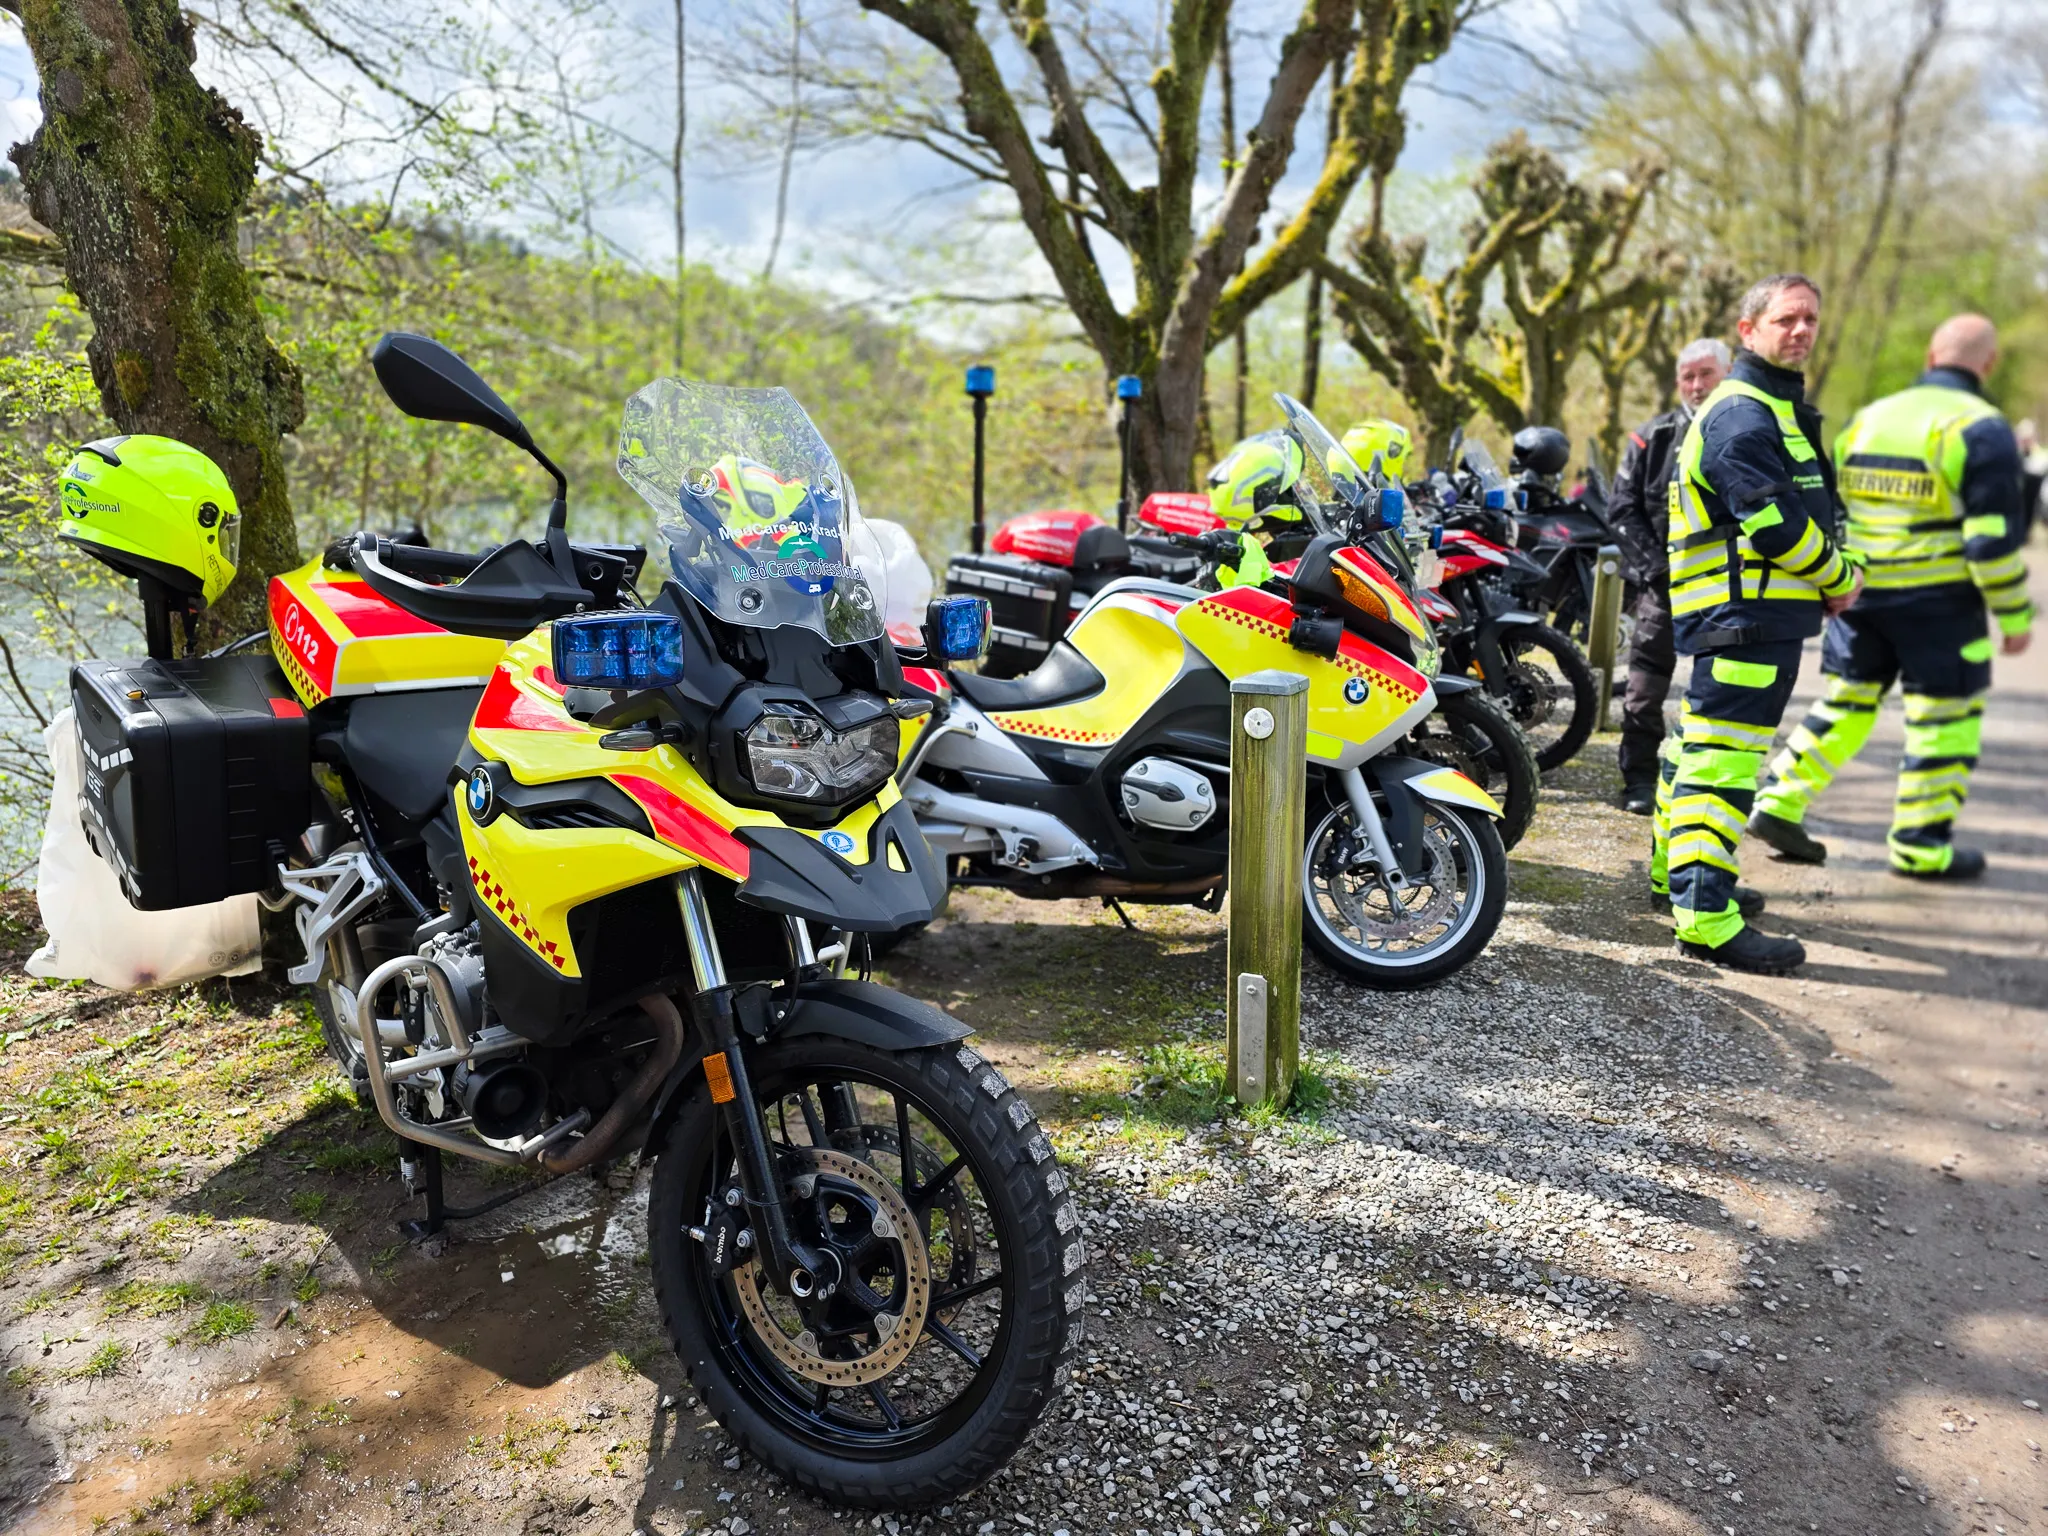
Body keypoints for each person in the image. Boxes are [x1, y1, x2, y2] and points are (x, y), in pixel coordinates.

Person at [1748, 314, 2034, 878]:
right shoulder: (1981, 427)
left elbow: (1837, 508)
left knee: (1848, 703)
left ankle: (1778, 799)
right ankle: (1920, 847)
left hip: (1862, 594)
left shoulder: (1869, 418)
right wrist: (2014, 616)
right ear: (1989, 364)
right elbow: (1990, 544)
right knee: (1942, 720)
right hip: (1939, 604)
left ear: (1930, 356)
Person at [1647, 273, 1862, 974]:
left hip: (1746, 618)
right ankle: (1706, 919)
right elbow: (1773, 524)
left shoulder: (1770, 407)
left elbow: (1816, 507)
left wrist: (1835, 567)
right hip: (1745, 619)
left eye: (1810, 320)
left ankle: (1677, 878)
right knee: (1721, 768)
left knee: (1694, 751)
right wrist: (1839, 579)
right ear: (1748, 329)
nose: (1801, 330)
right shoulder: (1743, 413)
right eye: (1786, 318)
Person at [1608, 339, 1731, 814]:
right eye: (1688, 376)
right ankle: (1639, 780)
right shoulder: (1650, 438)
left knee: (1717, 693)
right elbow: (1622, 510)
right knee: (1643, 692)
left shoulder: (1750, 432)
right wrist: (1660, 571)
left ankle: (1700, 783)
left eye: (1706, 374)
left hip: (1726, 589)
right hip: (1662, 588)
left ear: (1727, 373)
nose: (1696, 385)